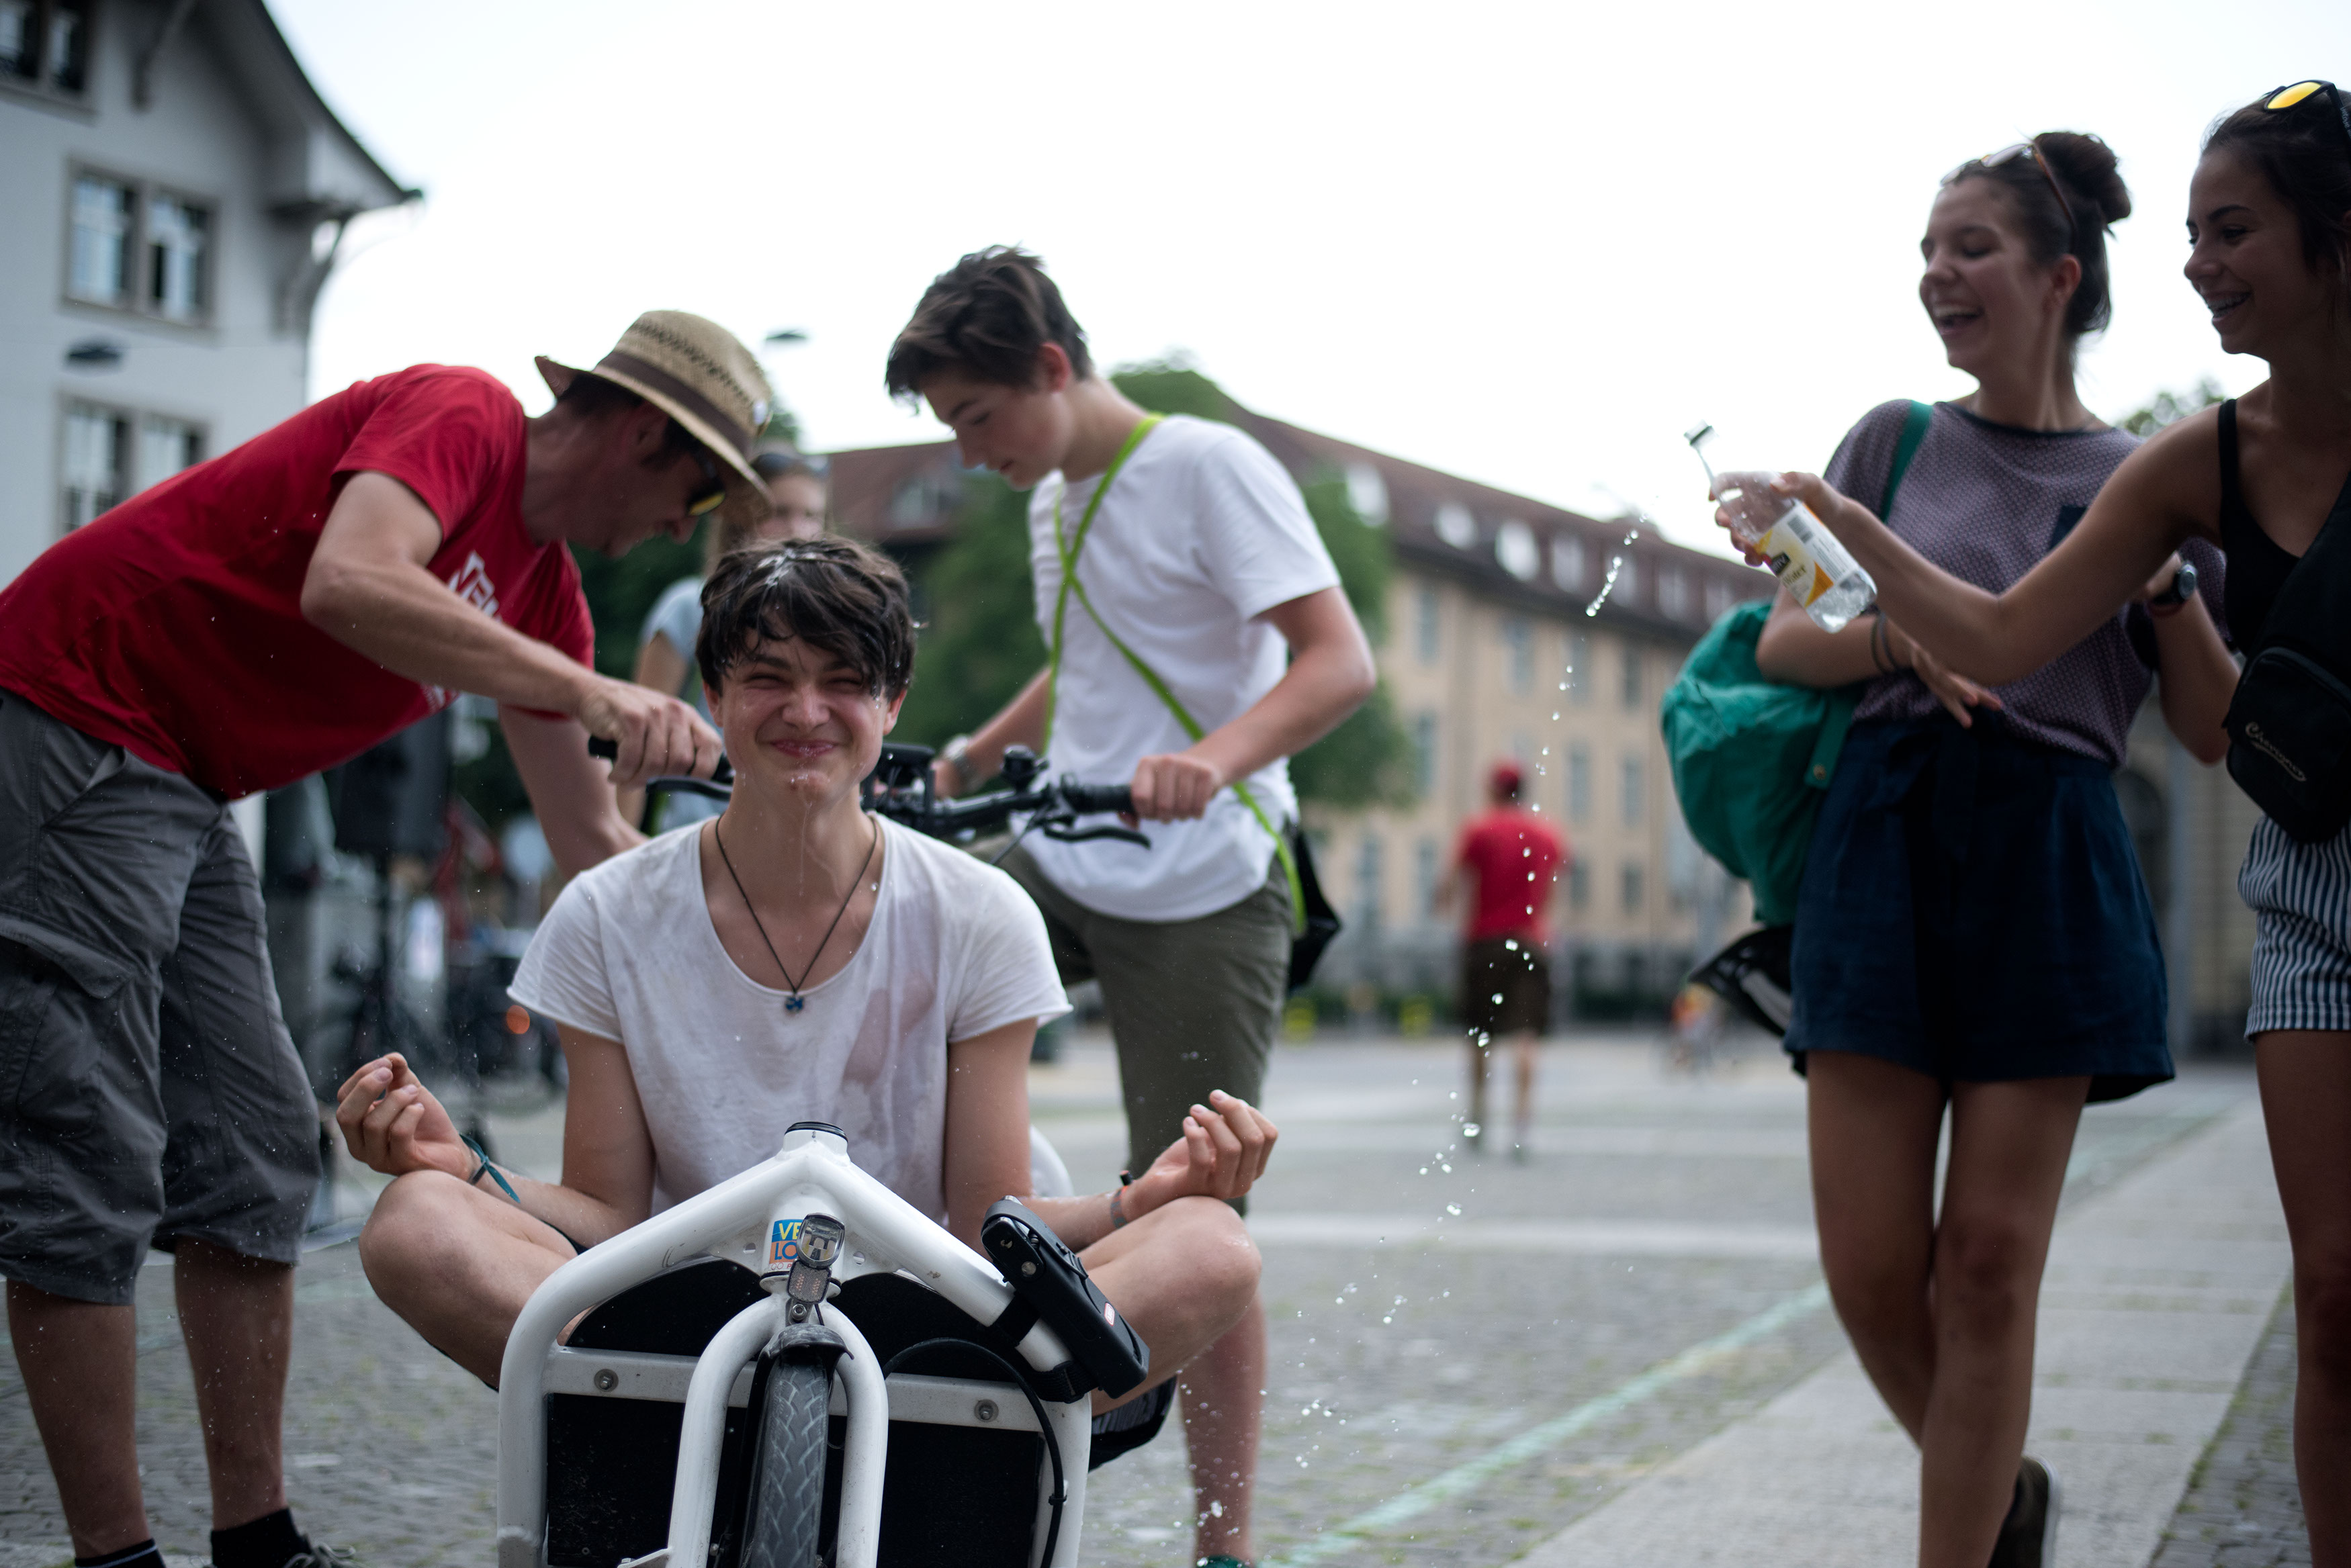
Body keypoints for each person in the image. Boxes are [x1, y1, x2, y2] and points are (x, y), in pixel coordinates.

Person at [0, 310, 762, 1568]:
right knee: (89, 1150)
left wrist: (770, 904)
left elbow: (593, 849)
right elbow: (349, 581)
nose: (682, 530)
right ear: (640, 432)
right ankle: (115, 1557)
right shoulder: (462, 417)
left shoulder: (545, 600)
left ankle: (257, 1544)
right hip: (77, 709)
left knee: (253, 1156)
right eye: (693, 493)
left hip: (186, 781)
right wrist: (592, 694)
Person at [1755, 89, 2351, 1562]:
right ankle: (2000, 1490)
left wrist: (2164, 595)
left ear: (2055, 276)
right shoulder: (1891, 442)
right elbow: (1791, 637)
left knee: (1991, 1264)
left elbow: (2216, 731)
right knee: (1871, 1268)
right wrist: (1891, 636)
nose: (1937, 275)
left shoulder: (2149, 475)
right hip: (1886, 834)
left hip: (2048, 843)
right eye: (1925, 249)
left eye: (1969, 247)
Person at [335, 539, 1273, 1458]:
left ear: (892, 701)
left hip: (927, 1311)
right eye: (768, 678)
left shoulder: (981, 911)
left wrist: (1138, 1201)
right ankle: (702, 1410)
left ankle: (917, 1431)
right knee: (416, 1218)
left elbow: (980, 1214)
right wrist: (458, 1165)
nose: (806, 710)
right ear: (712, 697)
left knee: (1211, 1243)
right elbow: (608, 1212)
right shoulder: (608, 912)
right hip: (680, 1311)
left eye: (844, 680)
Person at [885, 246, 1377, 1568]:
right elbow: (1088, 658)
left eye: (978, 418)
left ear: (1049, 367)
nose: (971, 452)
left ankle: (1225, 1546)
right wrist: (981, 746)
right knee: (900, 958)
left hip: (1205, 879)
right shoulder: (1056, 493)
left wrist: (1212, 760)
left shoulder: (1205, 467)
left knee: (1199, 1211)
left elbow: (1342, 660)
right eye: (949, 429)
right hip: (1068, 850)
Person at [621, 444, 831, 829]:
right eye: (779, 513)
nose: (797, 530)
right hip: (700, 831)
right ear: (740, 520)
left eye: (811, 516)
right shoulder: (691, 607)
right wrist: (618, 851)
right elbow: (640, 735)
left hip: (796, 837)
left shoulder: (832, 620)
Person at [1441, 760, 1567, 1158]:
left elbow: (1449, 883)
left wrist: (1444, 905)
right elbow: (1554, 888)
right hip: (1532, 941)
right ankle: (1523, 1127)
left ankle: (1477, 1119)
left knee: (1481, 1035)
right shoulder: (1547, 834)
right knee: (1526, 1035)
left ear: (1493, 790)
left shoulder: (1479, 829)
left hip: (1486, 942)